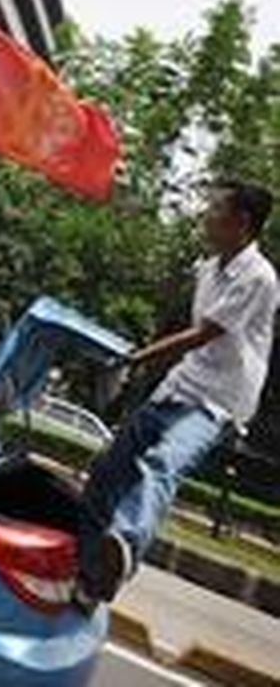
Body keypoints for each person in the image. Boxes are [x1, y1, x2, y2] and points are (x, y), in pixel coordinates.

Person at [77, 180, 278, 607]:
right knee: (108, 470)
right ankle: (88, 571)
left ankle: (124, 546)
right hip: (180, 387)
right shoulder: (207, 268)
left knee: (161, 464)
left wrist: (134, 360)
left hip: (216, 403)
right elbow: (188, 339)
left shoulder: (259, 278)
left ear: (240, 222)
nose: (207, 215)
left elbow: (204, 334)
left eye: (215, 209)